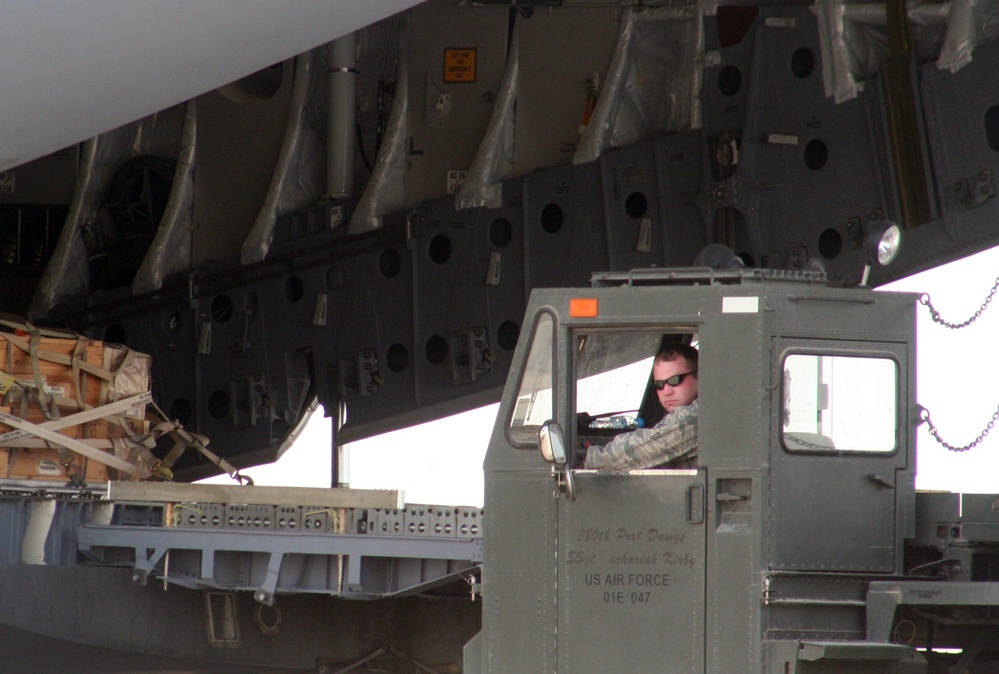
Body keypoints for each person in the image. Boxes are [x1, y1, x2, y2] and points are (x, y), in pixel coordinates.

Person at [583, 345, 698, 471]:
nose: (666, 391)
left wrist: (587, 457)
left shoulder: (697, 416)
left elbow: (630, 455)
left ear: (699, 376)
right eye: (659, 384)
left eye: (674, 380)